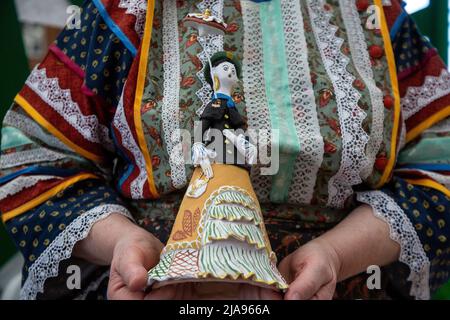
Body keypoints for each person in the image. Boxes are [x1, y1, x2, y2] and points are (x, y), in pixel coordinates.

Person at [0, 0, 449, 300]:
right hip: (155, 288)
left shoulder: (377, 19)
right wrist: (125, 244)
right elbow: (33, 155)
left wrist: (335, 256)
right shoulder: (124, 14)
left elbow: (440, 163)